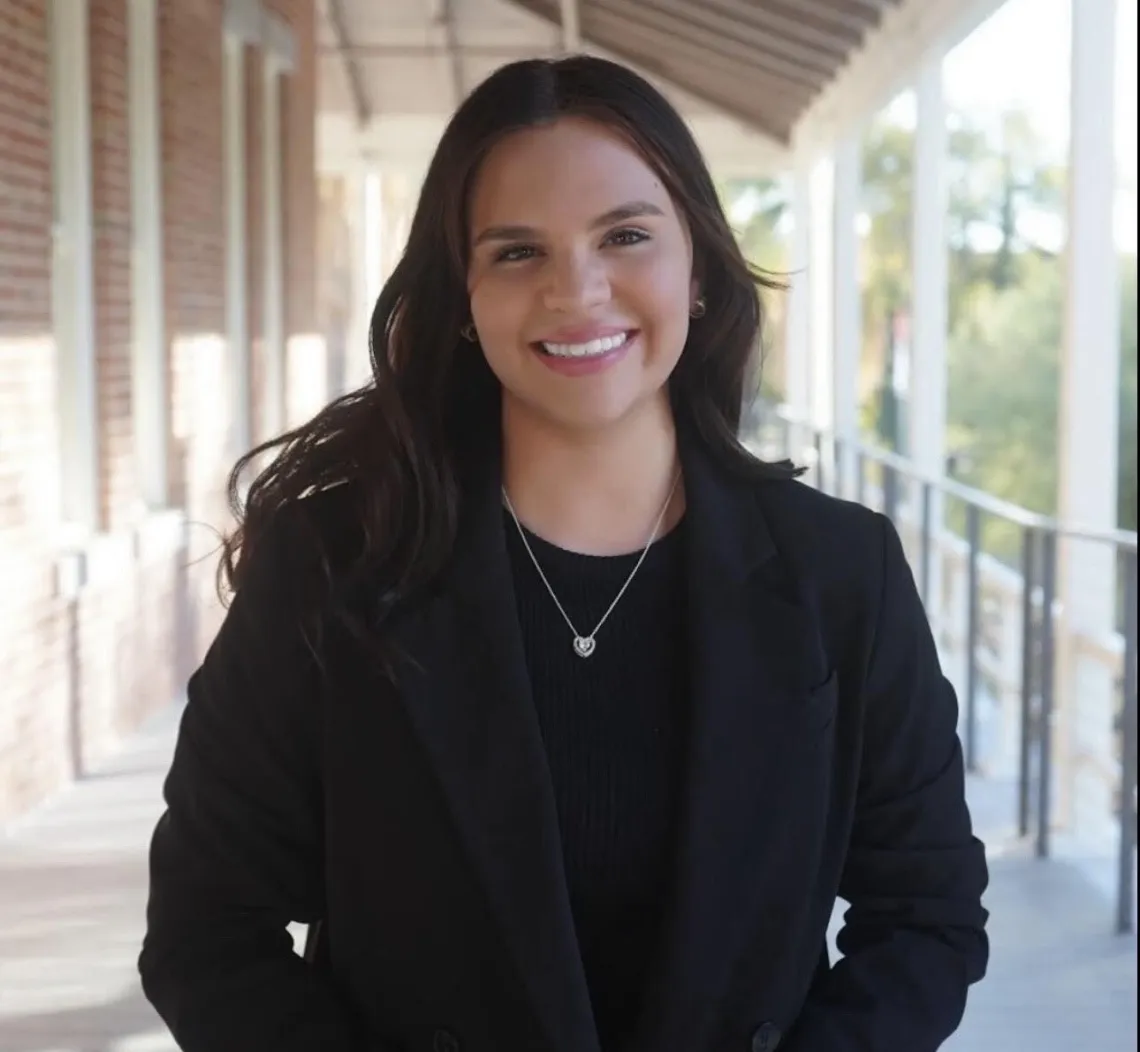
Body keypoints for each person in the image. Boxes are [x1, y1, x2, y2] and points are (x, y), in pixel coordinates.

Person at [138, 55, 989, 1052]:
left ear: (701, 268)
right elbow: (207, 925)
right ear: (463, 294)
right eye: (515, 252)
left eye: (625, 235)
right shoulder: (335, 560)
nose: (576, 290)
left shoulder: (842, 572)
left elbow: (926, 917)